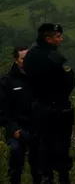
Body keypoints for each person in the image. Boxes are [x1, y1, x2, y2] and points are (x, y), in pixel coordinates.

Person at [23, 23, 75, 184]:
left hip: (39, 107)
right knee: (61, 144)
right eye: (58, 36)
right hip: (58, 108)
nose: (61, 39)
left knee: (43, 144)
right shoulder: (55, 57)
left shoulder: (30, 55)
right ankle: (63, 177)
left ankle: (46, 177)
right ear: (48, 38)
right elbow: (69, 81)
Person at [0, 46, 42, 184]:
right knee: (16, 158)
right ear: (16, 60)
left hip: (36, 129)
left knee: (39, 166)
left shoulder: (38, 79)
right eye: (23, 59)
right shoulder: (7, 81)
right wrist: (13, 129)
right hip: (16, 130)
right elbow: (2, 109)